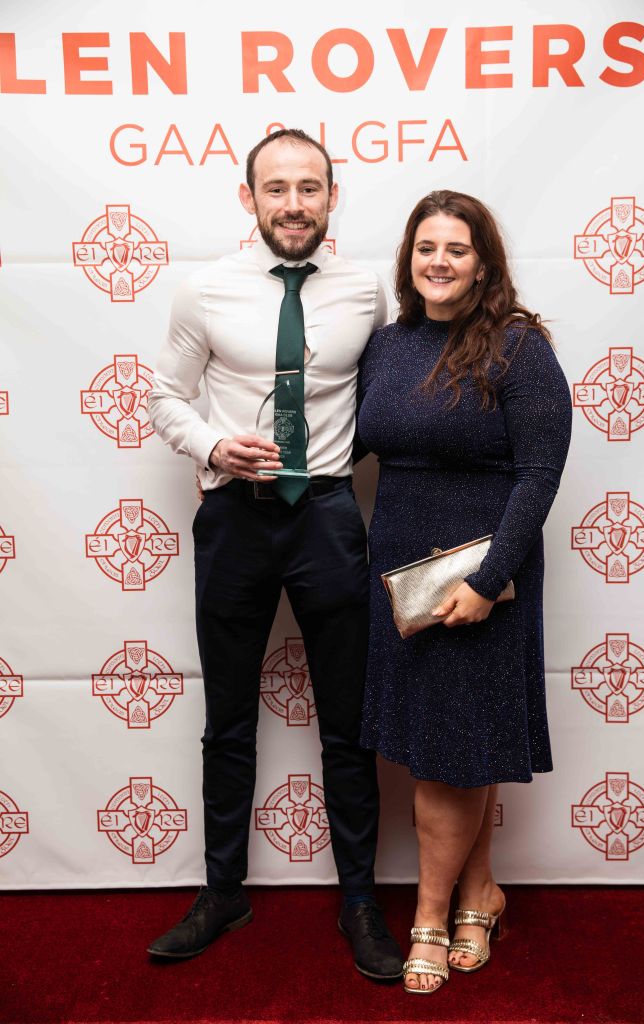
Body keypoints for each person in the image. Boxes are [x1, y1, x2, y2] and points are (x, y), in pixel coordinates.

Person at [145, 128, 403, 980]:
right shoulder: (205, 290)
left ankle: (359, 902)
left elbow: (389, 396)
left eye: (309, 188)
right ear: (248, 197)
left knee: (347, 725)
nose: (293, 204)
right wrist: (213, 448)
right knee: (227, 721)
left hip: (327, 516)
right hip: (234, 521)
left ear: (332, 197)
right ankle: (223, 892)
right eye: (276, 189)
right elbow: (165, 397)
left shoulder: (365, 290)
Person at [356, 191, 572, 994]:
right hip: (400, 576)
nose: (438, 261)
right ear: (408, 260)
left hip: (480, 579)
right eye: (425, 248)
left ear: (483, 263)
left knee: (449, 755)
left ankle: (429, 916)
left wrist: (487, 580)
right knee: (451, 749)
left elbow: (538, 474)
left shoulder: (518, 346)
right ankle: (480, 893)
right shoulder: (387, 346)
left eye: (456, 248)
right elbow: (352, 444)